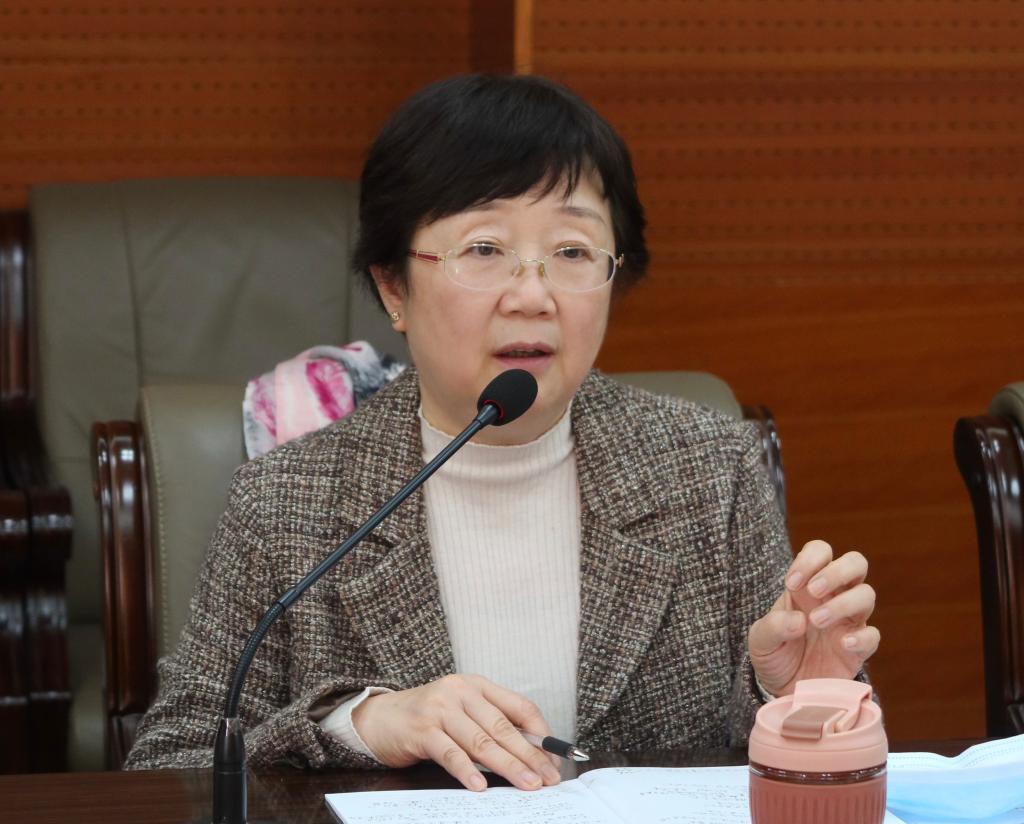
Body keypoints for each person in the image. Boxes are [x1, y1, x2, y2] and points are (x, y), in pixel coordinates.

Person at [125, 74, 879, 792]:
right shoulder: (286, 501)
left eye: (572, 252)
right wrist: (358, 723)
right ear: (393, 286)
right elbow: (171, 768)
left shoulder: (710, 469)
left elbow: (796, 758)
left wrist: (796, 700)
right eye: (484, 250)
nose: (532, 295)